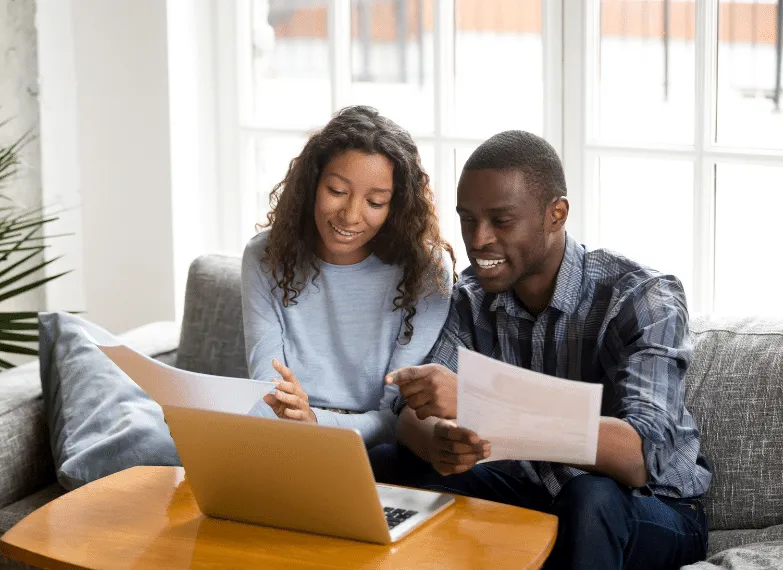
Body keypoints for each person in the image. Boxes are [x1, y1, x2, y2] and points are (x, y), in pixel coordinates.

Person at [369, 130, 712, 569]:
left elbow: (640, 456)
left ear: (556, 214)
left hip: (649, 508)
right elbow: (410, 412)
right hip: (534, 495)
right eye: (468, 219)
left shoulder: (643, 297)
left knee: (590, 497)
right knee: (389, 462)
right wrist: (437, 438)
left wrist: (481, 400)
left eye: (501, 221)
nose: (478, 239)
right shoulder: (473, 296)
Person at [241, 105, 455, 448]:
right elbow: (267, 391)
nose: (351, 216)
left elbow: (395, 418)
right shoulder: (264, 255)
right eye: (337, 192)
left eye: (375, 201)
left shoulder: (427, 270)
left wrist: (315, 421)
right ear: (312, 184)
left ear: (396, 206)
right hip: (282, 437)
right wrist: (296, 422)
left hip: (372, 447)